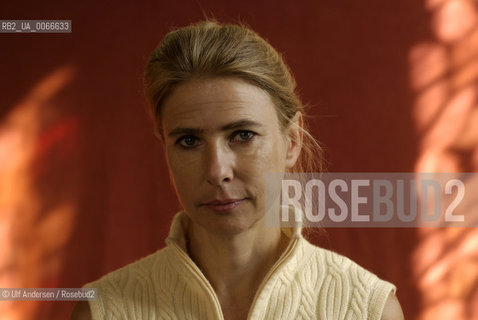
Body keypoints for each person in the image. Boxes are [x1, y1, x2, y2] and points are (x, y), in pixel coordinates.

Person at [71, 20, 404, 320]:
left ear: (292, 141)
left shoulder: (367, 310)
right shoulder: (103, 311)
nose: (217, 171)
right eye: (189, 141)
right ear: (165, 148)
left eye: (243, 136)